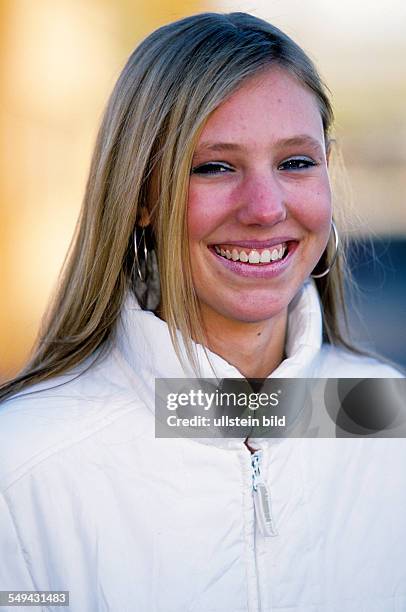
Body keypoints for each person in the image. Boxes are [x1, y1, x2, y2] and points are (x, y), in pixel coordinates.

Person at [0, 12, 405, 612]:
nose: (265, 209)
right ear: (139, 195)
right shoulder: (21, 461)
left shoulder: (386, 415)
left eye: (296, 162)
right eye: (214, 166)